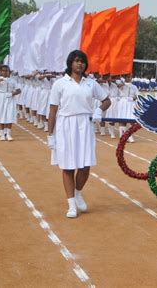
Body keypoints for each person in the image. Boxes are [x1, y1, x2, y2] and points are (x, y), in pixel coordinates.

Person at [47, 50, 111, 218]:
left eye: (82, 61)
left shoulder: (90, 83)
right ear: (70, 63)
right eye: (76, 61)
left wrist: (98, 109)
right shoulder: (60, 83)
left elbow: (107, 100)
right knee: (68, 166)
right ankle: (71, 205)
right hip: (66, 125)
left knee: (85, 165)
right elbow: (53, 110)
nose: (80, 64)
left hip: (85, 125)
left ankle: (77, 193)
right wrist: (50, 135)